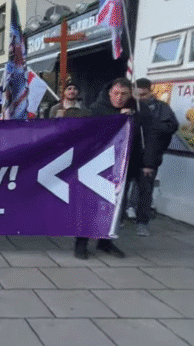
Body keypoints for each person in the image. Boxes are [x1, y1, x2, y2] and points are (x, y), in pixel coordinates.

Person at [74, 78, 148, 260]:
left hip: (124, 167)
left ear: (130, 95)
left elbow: (146, 137)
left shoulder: (138, 110)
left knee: (115, 208)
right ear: (109, 93)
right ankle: (81, 243)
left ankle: (105, 242)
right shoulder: (96, 110)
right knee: (90, 205)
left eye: (124, 94)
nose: (119, 97)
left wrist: (147, 163)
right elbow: (90, 135)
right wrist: (118, 119)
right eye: (116, 93)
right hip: (98, 168)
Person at [131, 78, 179, 236]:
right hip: (130, 155)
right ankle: (121, 218)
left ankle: (142, 222)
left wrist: (151, 124)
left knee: (145, 190)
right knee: (121, 188)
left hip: (149, 157)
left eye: (143, 94)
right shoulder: (130, 106)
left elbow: (171, 126)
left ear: (150, 92)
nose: (140, 98)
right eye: (137, 95)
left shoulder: (161, 108)